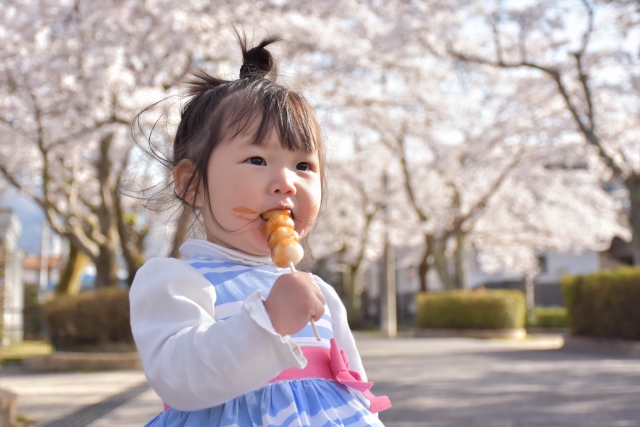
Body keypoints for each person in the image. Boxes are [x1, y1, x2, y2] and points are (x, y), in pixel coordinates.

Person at [130, 33, 391, 427]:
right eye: (256, 159)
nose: (286, 182)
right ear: (192, 184)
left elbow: (353, 391)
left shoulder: (321, 295)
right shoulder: (175, 280)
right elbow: (179, 380)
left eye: (304, 166)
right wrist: (267, 322)